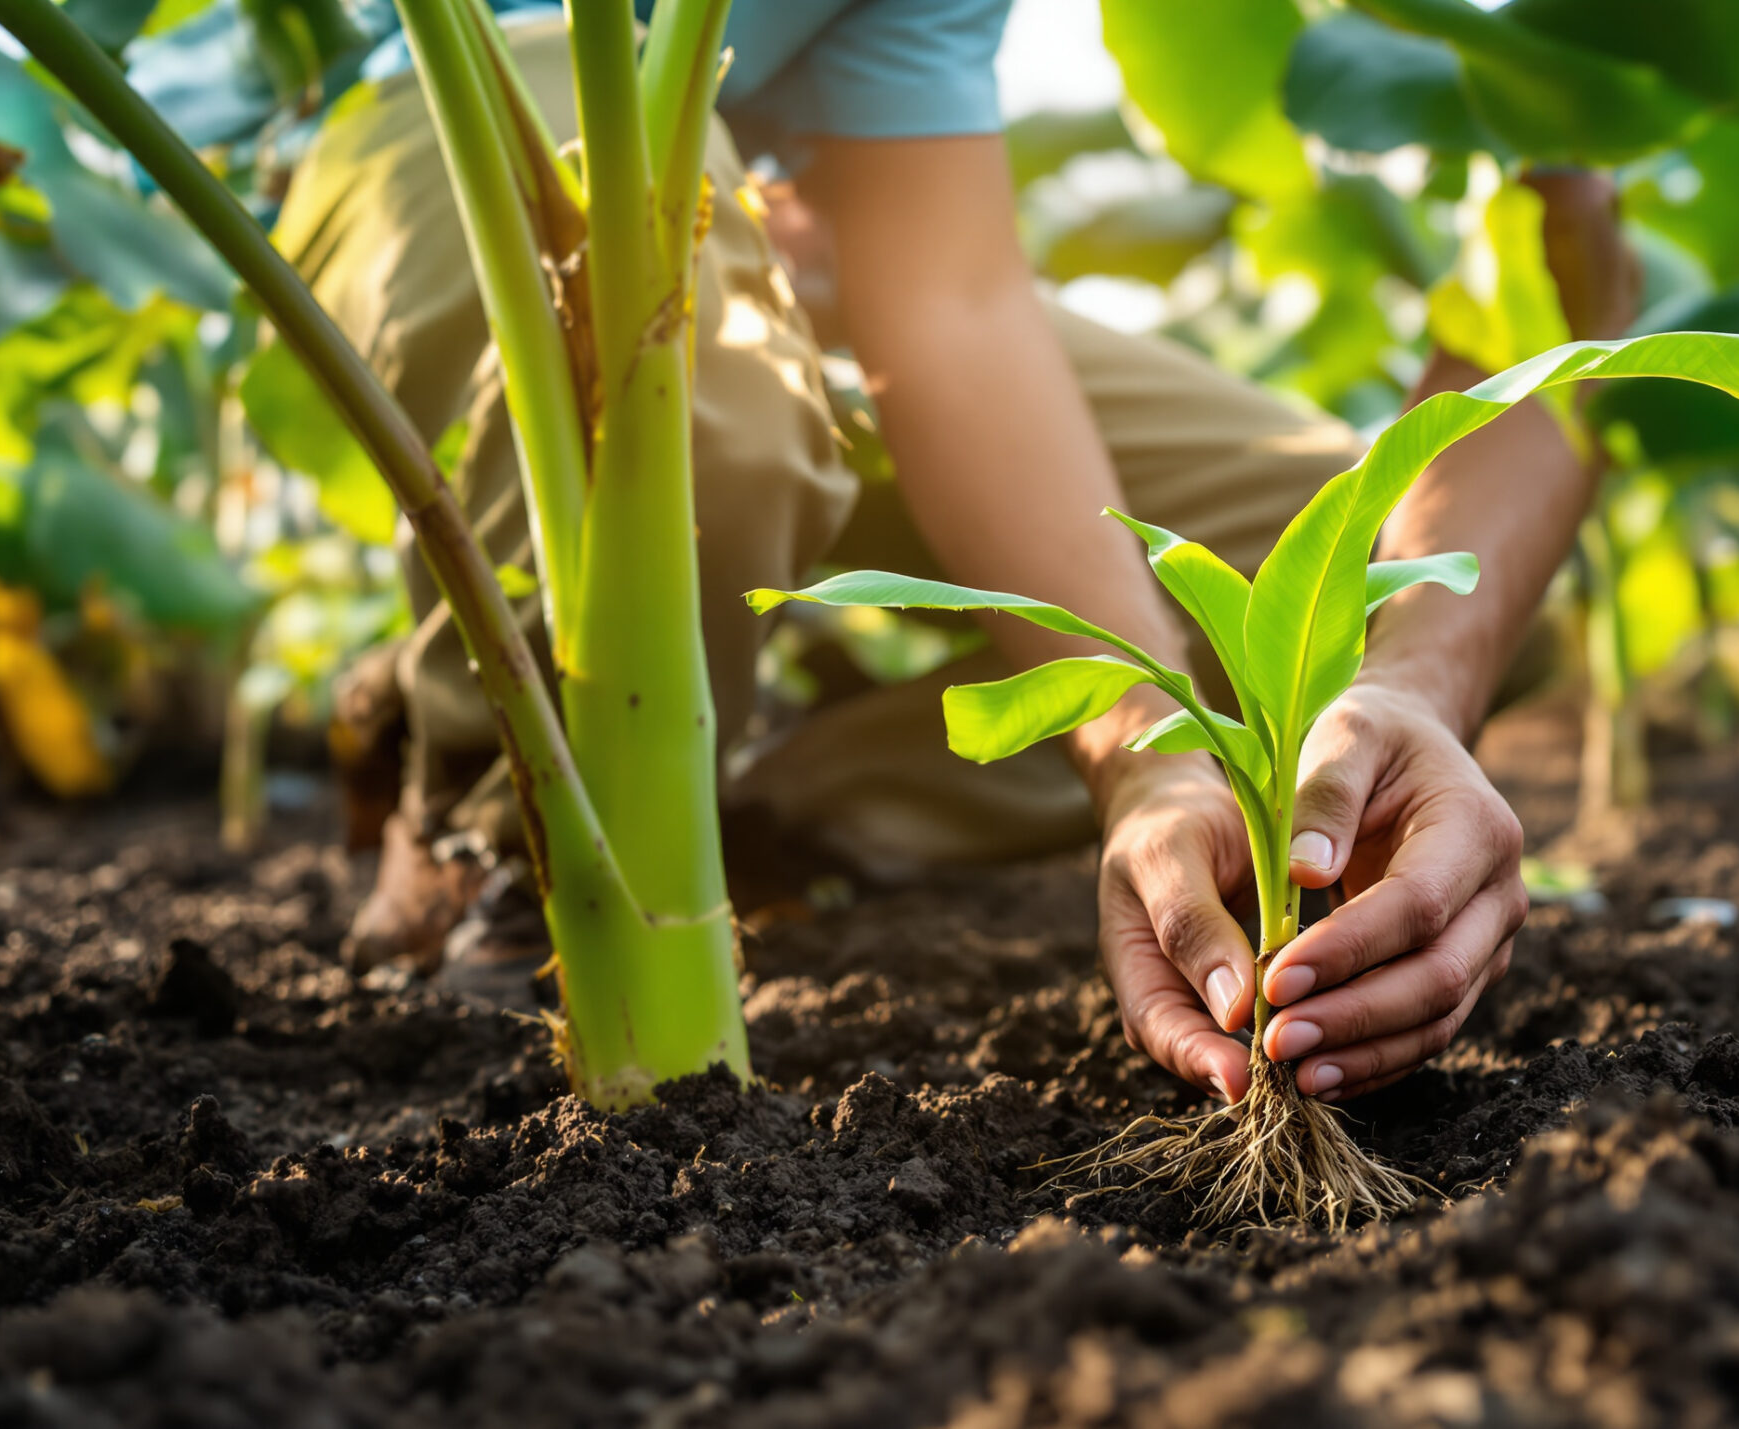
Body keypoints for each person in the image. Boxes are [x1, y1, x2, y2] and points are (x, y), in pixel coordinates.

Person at [279, 0, 1634, 1108]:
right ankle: (483, 798)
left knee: (1397, 585)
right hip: (470, 93)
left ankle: (763, 809)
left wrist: (1212, 741)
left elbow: (948, 302)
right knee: (701, 409)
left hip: (819, 225)